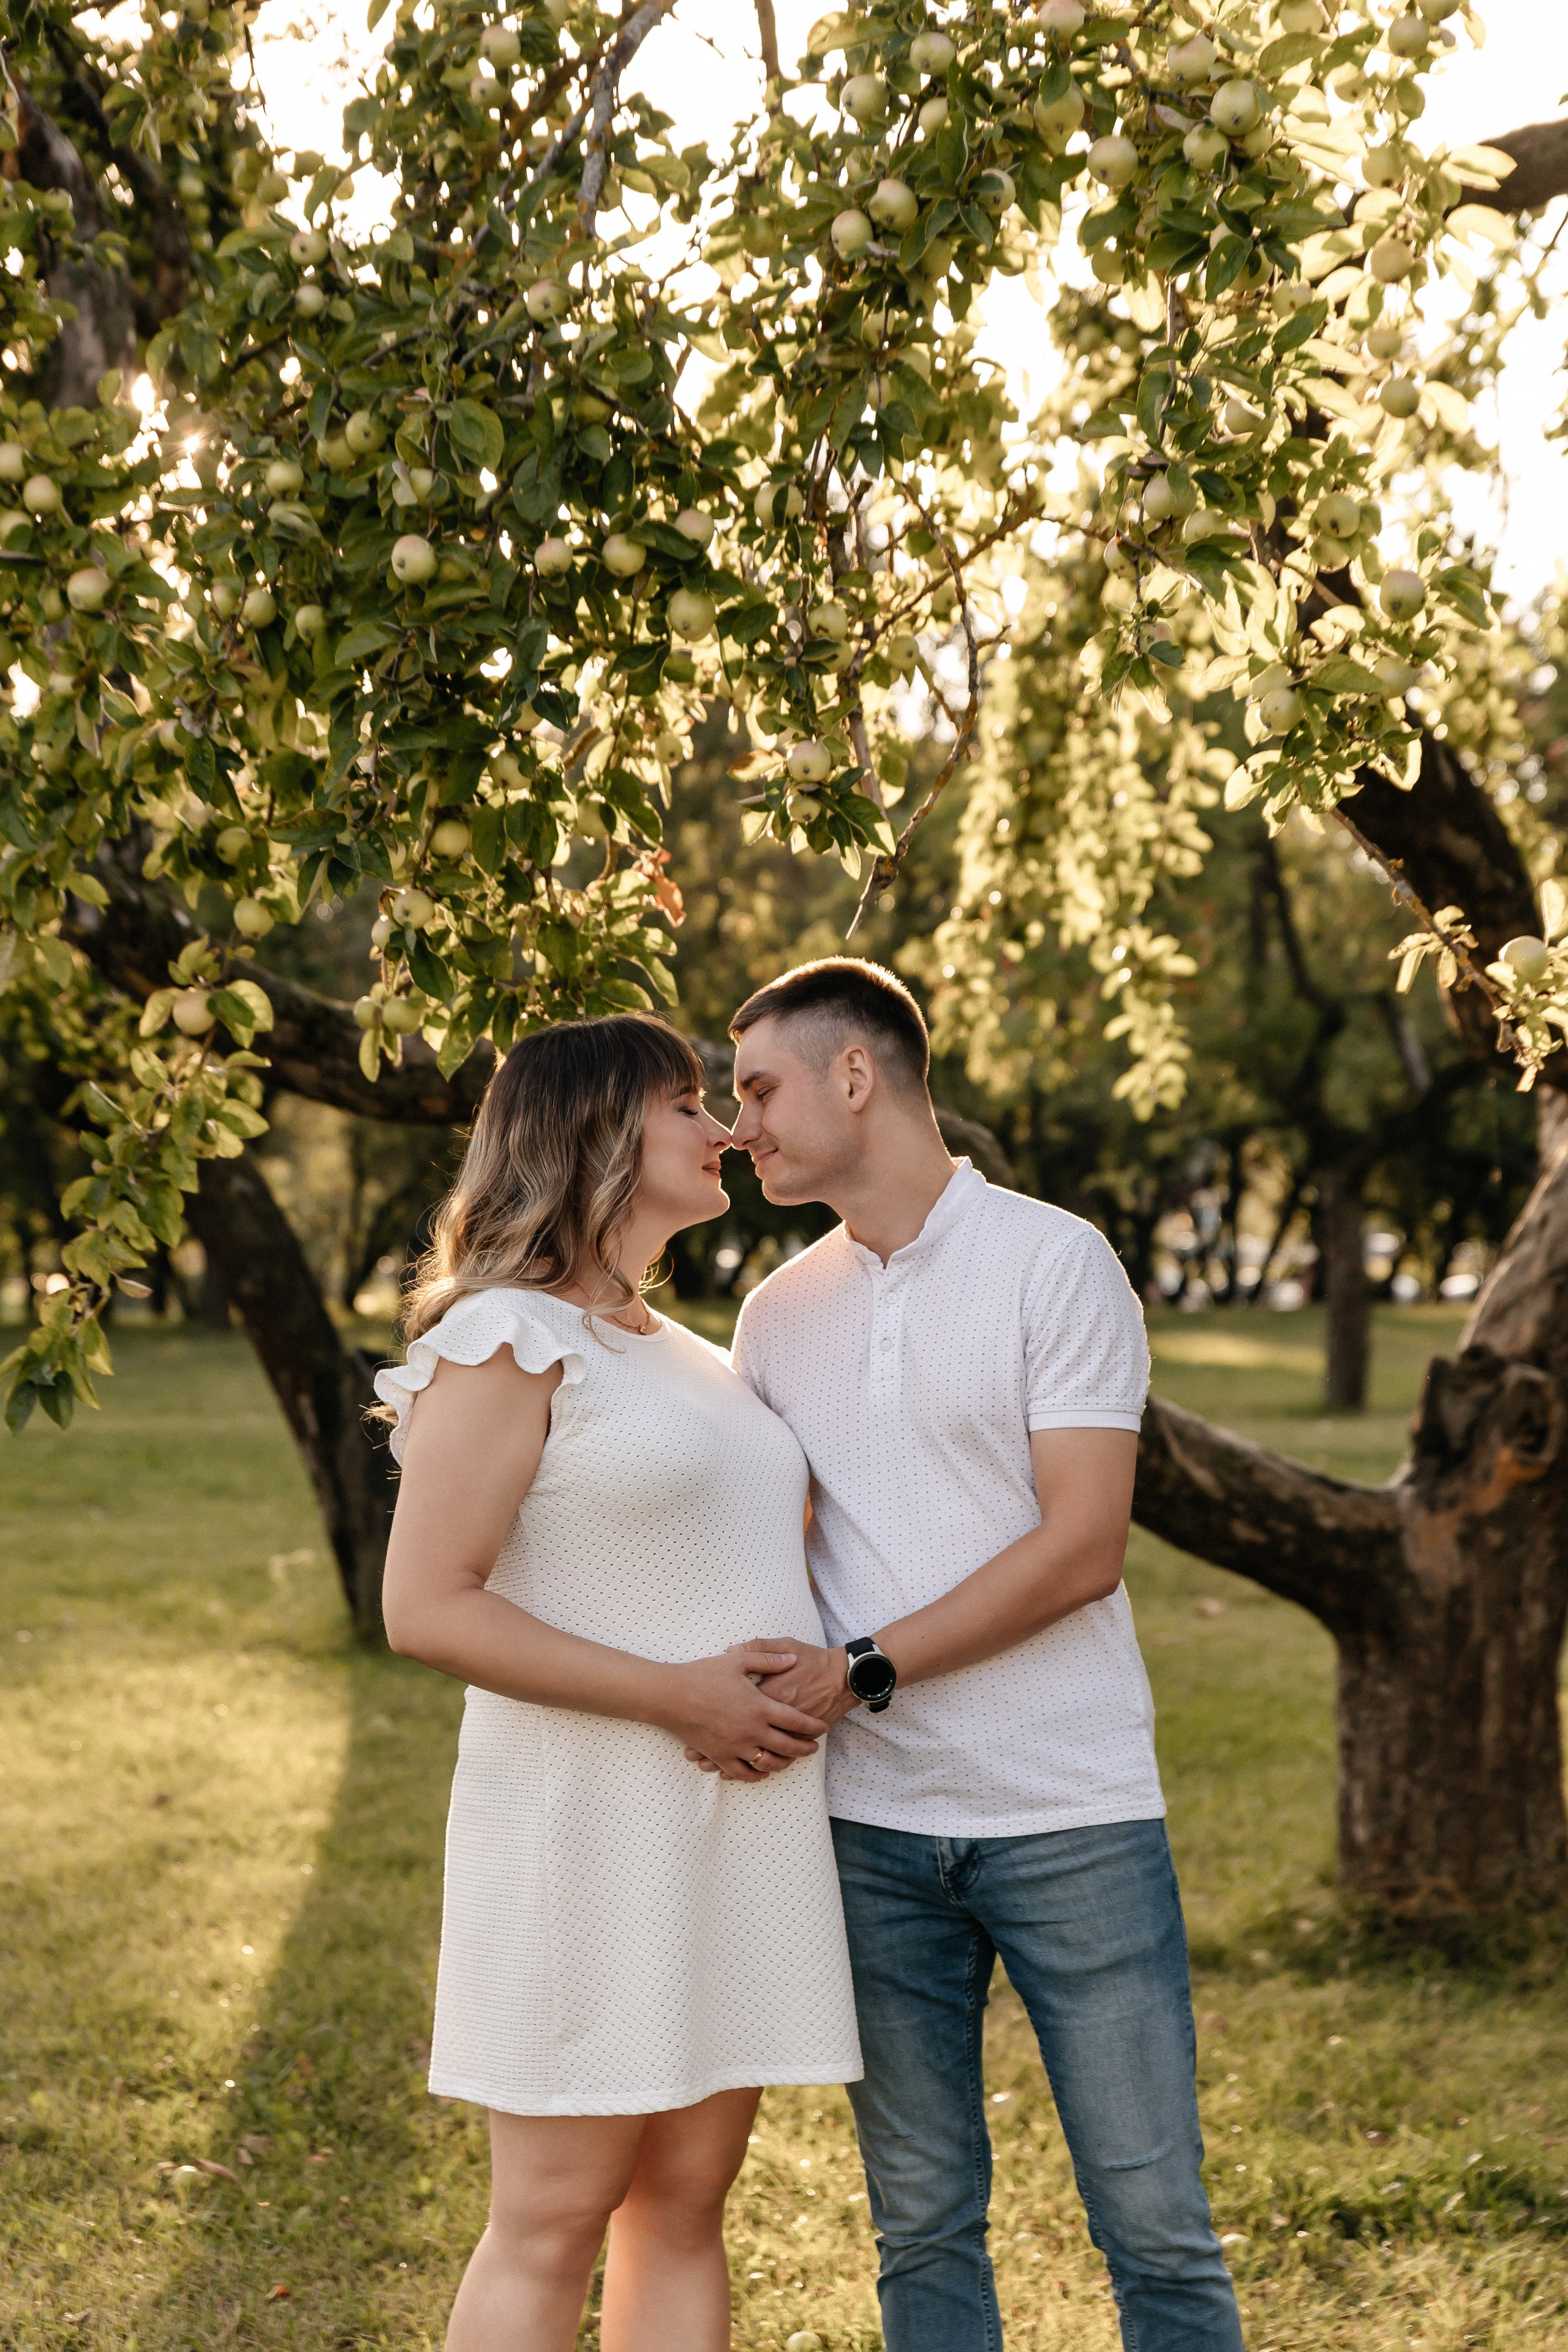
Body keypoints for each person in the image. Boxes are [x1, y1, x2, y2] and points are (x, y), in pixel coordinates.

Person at [714, 956, 1245, 2352]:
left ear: (854, 1074)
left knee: (1152, 2224)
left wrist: (860, 1669)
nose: (737, 1123)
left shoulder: (1051, 1260)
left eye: (758, 1087)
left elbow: (1081, 1549)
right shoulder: (774, 1317)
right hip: (867, 1830)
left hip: (1067, 1811)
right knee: (921, 2220)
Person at [373, 1013, 861, 2352]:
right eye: (689, 1102)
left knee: (683, 2204)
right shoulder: (503, 1339)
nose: (725, 1131)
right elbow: (424, 1608)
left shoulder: (686, 1353)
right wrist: (678, 1695)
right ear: (592, 1131)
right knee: (551, 2213)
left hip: (731, 1833)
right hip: (583, 1829)